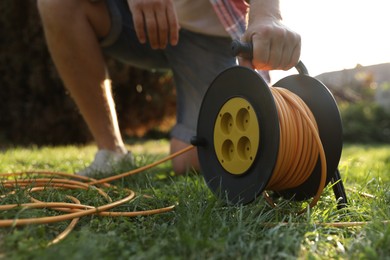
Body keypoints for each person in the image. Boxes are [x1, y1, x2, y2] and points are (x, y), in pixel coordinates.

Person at [36, 0, 301, 176]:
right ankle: (111, 151)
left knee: (193, 161)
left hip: (210, 36)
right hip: (134, 15)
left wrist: (267, 14)